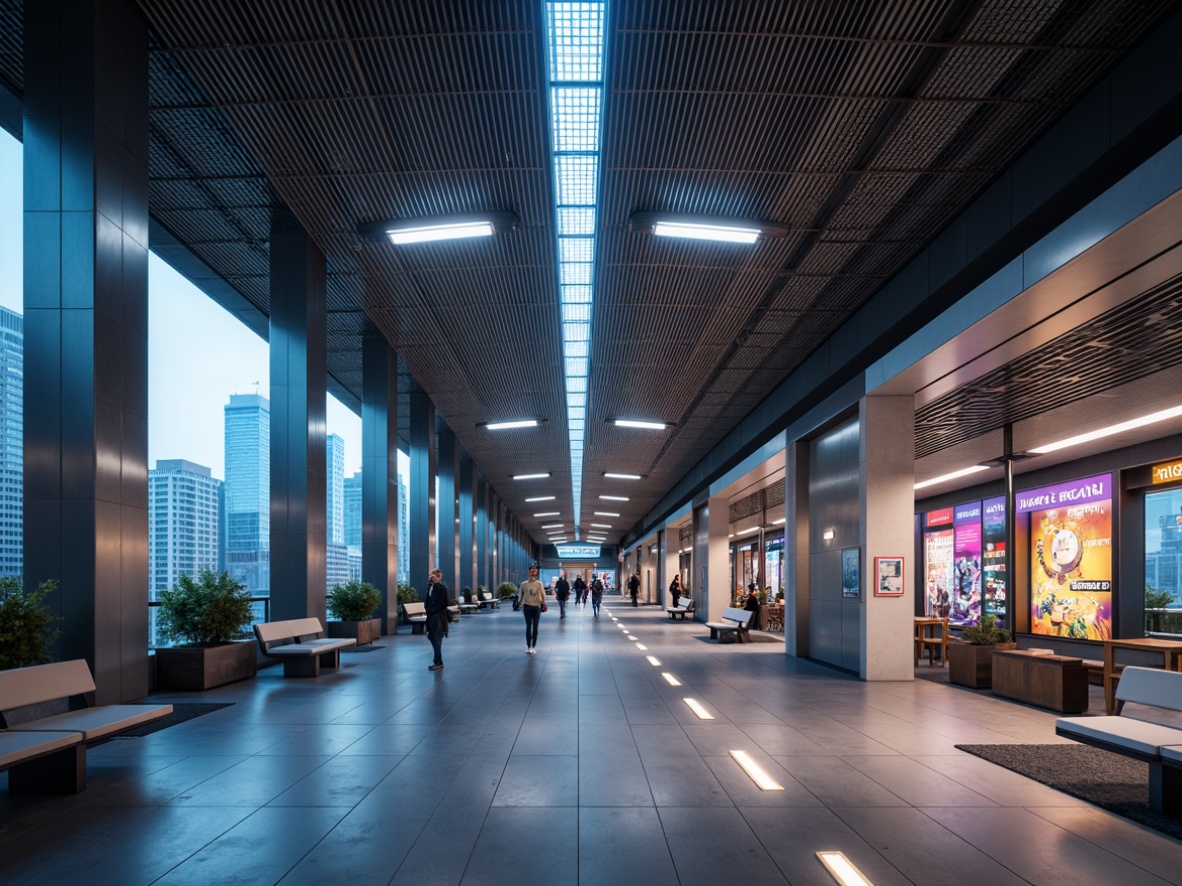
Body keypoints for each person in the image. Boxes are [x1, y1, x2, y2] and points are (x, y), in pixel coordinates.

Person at [425, 568, 449, 670]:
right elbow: (428, 600)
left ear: (438, 577)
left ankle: (438, 661)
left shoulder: (441, 588)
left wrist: (433, 610)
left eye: (433, 576)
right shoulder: (431, 587)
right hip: (431, 615)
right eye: (431, 576)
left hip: (438, 616)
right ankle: (437, 660)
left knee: (437, 637)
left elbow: (442, 602)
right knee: (431, 636)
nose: (431, 577)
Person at [519, 565, 546, 654]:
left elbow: (542, 594)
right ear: (528, 572)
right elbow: (520, 595)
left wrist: (543, 604)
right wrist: (518, 603)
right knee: (528, 626)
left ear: (537, 573)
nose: (533, 573)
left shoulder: (539, 584)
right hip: (527, 607)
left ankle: (534, 645)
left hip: (536, 607)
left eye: (534, 571)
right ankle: (529, 646)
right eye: (531, 571)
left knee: (535, 627)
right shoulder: (524, 584)